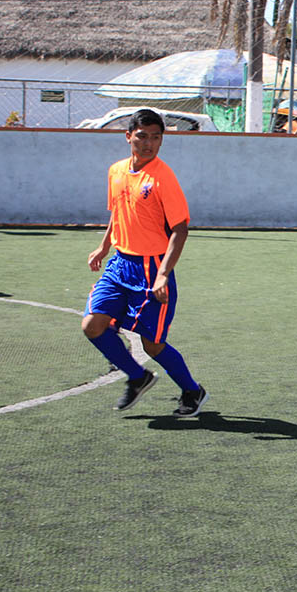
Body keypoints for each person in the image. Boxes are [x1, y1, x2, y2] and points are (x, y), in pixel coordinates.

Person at [82, 108, 208, 417]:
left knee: (152, 345)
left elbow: (180, 229)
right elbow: (119, 212)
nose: (148, 144)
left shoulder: (163, 177)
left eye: (156, 138)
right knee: (92, 325)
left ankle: (192, 389)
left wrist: (163, 274)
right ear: (128, 137)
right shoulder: (116, 171)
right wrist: (103, 247)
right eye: (142, 137)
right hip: (119, 263)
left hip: (152, 268)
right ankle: (138, 377)